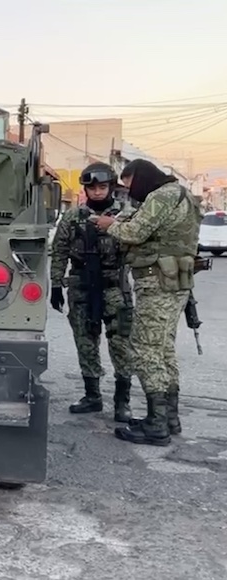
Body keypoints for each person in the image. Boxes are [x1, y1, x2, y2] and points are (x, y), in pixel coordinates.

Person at [90, 159, 201, 446]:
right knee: (163, 348)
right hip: (176, 280)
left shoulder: (161, 195)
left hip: (157, 282)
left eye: (129, 186)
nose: (130, 192)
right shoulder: (183, 195)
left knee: (144, 348)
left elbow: (135, 233)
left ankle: (156, 425)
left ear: (139, 178)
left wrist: (109, 225)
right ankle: (168, 418)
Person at [49, 162, 135, 422]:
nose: (97, 192)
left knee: (120, 343)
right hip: (81, 284)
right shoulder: (73, 216)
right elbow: (59, 251)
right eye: (92, 187)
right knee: (85, 341)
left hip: (113, 285)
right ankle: (92, 395)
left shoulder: (125, 216)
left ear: (110, 187)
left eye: (102, 187)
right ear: (85, 189)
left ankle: (122, 402)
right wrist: (55, 285)